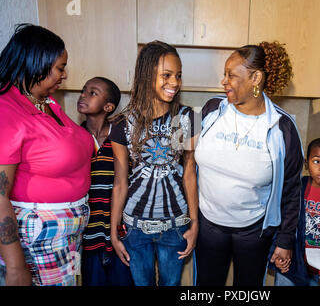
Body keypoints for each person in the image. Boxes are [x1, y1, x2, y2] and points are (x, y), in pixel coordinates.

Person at [194, 41, 304, 286]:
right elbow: (185, 156)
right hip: (208, 226)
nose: (224, 81)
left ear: (256, 78)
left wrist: (285, 240)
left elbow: (291, 190)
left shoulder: (282, 128)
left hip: (254, 232)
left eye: (231, 75)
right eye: (225, 74)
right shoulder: (212, 109)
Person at [0, 24, 93, 286]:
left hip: (71, 233)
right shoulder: (7, 110)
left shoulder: (46, 101)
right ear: (35, 62)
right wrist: (16, 267)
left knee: (73, 282)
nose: (64, 75)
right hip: (42, 236)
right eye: (60, 68)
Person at [109, 41, 198, 286]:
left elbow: (190, 172)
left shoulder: (186, 117)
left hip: (176, 226)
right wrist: (113, 231)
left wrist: (195, 223)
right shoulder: (122, 123)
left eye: (178, 76)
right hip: (134, 229)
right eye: (166, 75)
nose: (175, 83)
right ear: (147, 75)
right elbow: (120, 182)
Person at [77, 77, 134, 286]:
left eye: (92, 93)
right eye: (83, 90)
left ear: (108, 106)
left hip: (119, 233)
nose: (83, 95)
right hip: (88, 235)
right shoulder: (75, 137)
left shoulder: (121, 138)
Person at [274, 138, 320, 286]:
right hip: (291, 265)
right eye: (316, 161)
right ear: (306, 163)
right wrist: (279, 255)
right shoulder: (296, 189)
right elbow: (281, 224)